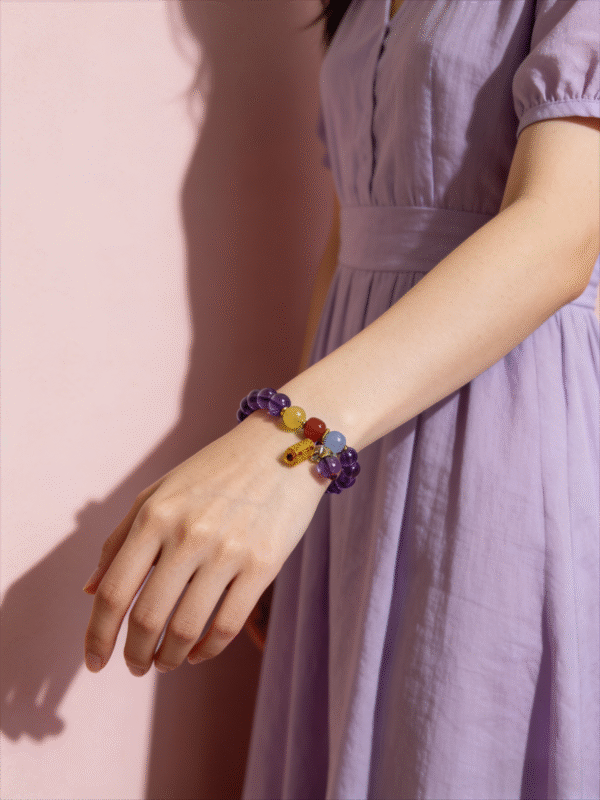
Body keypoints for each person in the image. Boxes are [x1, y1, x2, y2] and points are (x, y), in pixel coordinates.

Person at [83, 0, 599, 797]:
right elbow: (349, 239)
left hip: (500, 427)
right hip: (349, 452)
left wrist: (283, 448)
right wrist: (300, 466)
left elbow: (561, 229)